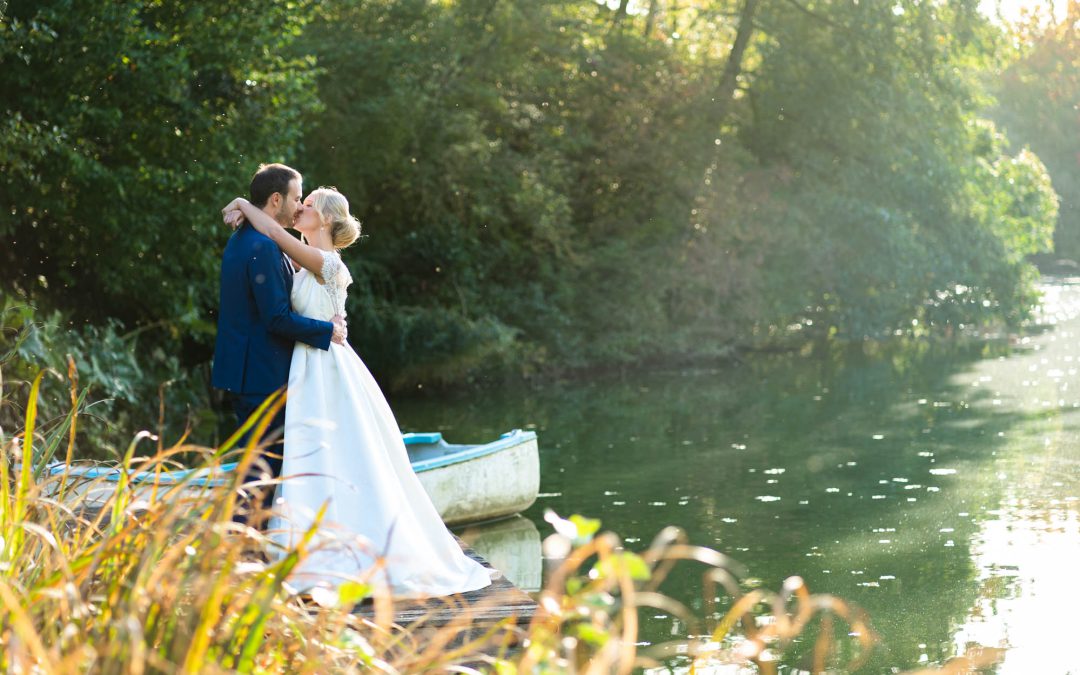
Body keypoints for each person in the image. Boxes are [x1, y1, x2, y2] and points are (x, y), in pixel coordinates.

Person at [221, 187, 492, 599]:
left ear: (325, 218)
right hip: (306, 367)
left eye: (307, 204)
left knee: (339, 452)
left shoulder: (328, 263)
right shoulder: (301, 258)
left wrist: (242, 204)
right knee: (313, 452)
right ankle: (306, 544)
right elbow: (275, 240)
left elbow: (273, 233)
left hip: (326, 366)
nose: (300, 207)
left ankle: (342, 551)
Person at [212, 163, 347, 529]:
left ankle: (249, 547)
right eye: (296, 198)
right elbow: (276, 318)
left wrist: (241, 203)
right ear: (276, 199)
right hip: (260, 373)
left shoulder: (248, 239)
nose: (299, 205)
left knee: (259, 465)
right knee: (262, 469)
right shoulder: (263, 246)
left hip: (252, 370)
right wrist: (327, 330)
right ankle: (243, 550)